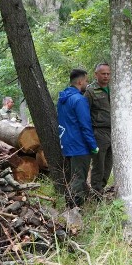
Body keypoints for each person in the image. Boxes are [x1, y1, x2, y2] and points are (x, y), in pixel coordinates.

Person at [57, 69, 99, 208]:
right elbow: (85, 125)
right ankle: (74, 209)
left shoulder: (62, 99)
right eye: (86, 80)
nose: (87, 83)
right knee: (79, 178)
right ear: (80, 81)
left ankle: (72, 205)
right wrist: (93, 145)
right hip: (79, 145)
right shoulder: (79, 100)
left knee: (73, 176)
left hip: (67, 144)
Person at [85, 62, 113, 195]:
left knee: (108, 164)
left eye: (108, 74)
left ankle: (101, 187)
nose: (106, 76)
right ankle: (96, 191)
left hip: (114, 131)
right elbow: (85, 114)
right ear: (96, 74)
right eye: (103, 74)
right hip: (99, 132)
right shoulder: (90, 91)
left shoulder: (114, 89)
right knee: (99, 164)